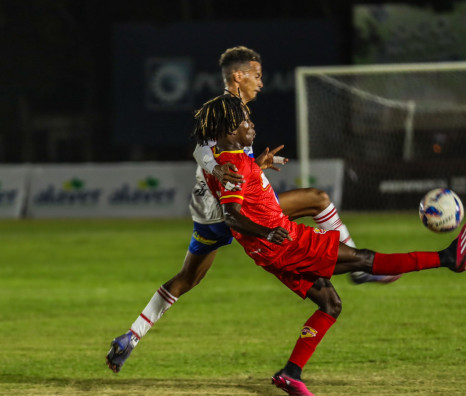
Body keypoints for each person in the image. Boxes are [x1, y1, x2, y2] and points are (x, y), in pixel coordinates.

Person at [106, 47, 394, 374]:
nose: (260, 81)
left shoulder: (235, 113)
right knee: (317, 199)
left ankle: (131, 336)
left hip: (209, 216)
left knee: (187, 278)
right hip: (234, 211)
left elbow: (230, 162)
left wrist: (259, 166)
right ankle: (357, 267)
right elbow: (201, 149)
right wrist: (216, 170)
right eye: (256, 75)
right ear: (238, 76)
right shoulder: (226, 111)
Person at [194, 93, 466, 396]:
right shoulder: (233, 166)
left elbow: (241, 196)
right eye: (246, 121)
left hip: (272, 252)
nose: (252, 125)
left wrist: (258, 166)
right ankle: (448, 258)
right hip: (286, 243)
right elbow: (232, 215)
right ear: (231, 129)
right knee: (363, 259)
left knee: (330, 304)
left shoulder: (228, 162)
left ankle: (291, 373)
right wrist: (267, 232)